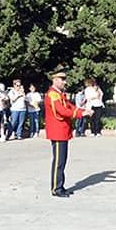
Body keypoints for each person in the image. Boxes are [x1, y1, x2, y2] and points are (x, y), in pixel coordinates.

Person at [43, 68, 93, 198]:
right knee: (59, 161)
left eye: (65, 79)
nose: (65, 82)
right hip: (58, 131)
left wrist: (82, 111)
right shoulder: (53, 94)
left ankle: (60, 185)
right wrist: (81, 113)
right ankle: (56, 188)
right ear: (55, 80)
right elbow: (62, 111)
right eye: (62, 79)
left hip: (62, 131)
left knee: (62, 160)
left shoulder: (59, 94)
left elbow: (69, 106)